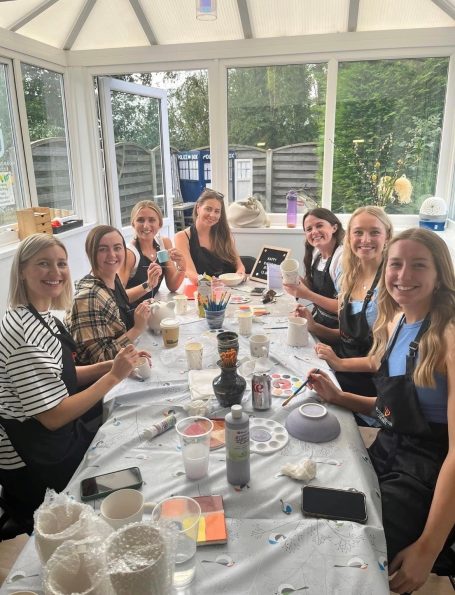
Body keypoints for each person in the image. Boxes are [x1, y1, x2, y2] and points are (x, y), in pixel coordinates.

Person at [306, 228, 455, 593]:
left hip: (427, 473)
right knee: (316, 513)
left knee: (354, 556)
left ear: (439, 276)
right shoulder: (395, 321)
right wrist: (339, 398)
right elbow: (397, 408)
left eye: (418, 266)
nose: (403, 276)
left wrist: (427, 547)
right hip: (388, 447)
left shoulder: (449, 336)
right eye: (396, 264)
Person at [0, 234, 141, 518]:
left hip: (60, 440)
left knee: (132, 449)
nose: (55, 273)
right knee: (127, 483)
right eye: (44, 264)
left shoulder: (42, 317)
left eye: (61, 264)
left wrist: (111, 364)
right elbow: (52, 416)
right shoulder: (22, 335)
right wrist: (113, 377)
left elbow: (61, 377)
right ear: (23, 270)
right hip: (35, 465)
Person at [296, 206, 393, 397]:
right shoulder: (348, 277)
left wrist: (338, 363)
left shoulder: (391, 285)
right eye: (358, 232)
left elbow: (385, 359)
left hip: (370, 383)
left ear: (387, 236)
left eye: (374, 232)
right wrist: (314, 326)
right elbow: (348, 337)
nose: (365, 239)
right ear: (349, 236)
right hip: (344, 363)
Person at [65, 225, 151, 365]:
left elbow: (119, 305)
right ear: (90, 253)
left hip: (127, 358)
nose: (112, 255)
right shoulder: (88, 298)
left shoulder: (112, 278)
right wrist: (137, 329)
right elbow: (98, 359)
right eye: (103, 249)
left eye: (117, 248)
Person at [283, 208, 344, 329]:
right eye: (309, 229)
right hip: (319, 318)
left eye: (319, 225)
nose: (314, 232)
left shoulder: (341, 258)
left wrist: (307, 295)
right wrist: (295, 280)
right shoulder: (316, 255)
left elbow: (343, 307)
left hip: (338, 329)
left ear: (334, 228)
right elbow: (315, 289)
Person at [118, 200, 186, 306]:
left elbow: (172, 286)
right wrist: (148, 285)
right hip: (133, 313)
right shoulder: (130, 254)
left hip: (153, 307)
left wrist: (182, 267)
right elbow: (118, 296)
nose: (146, 226)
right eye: (140, 220)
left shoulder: (163, 244)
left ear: (160, 224)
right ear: (133, 224)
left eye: (152, 220)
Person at [174, 188, 245, 283]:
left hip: (231, 289)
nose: (212, 215)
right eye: (208, 209)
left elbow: (239, 265)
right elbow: (190, 273)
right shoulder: (182, 237)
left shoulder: (224, 233)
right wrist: (212, 282)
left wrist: (240, 273)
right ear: (198, 208)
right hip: (203, 292)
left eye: (217, 211)